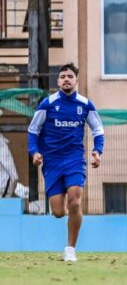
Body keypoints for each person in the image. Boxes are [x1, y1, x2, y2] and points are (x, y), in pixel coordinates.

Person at [27, 63, 105, 262]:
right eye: (62, 76)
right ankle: (66, 234)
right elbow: (33, 131)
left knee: (75, 202)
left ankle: (70, 249)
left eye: (70, 76)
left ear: (76, 80)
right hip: (52, 162)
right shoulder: (48, 104)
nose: (66, 79)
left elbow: (98, 130)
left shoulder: (85, 105)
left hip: (74, 159)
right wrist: (35, 152)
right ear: (58, 81)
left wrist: (97, 151)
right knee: (59, 212)